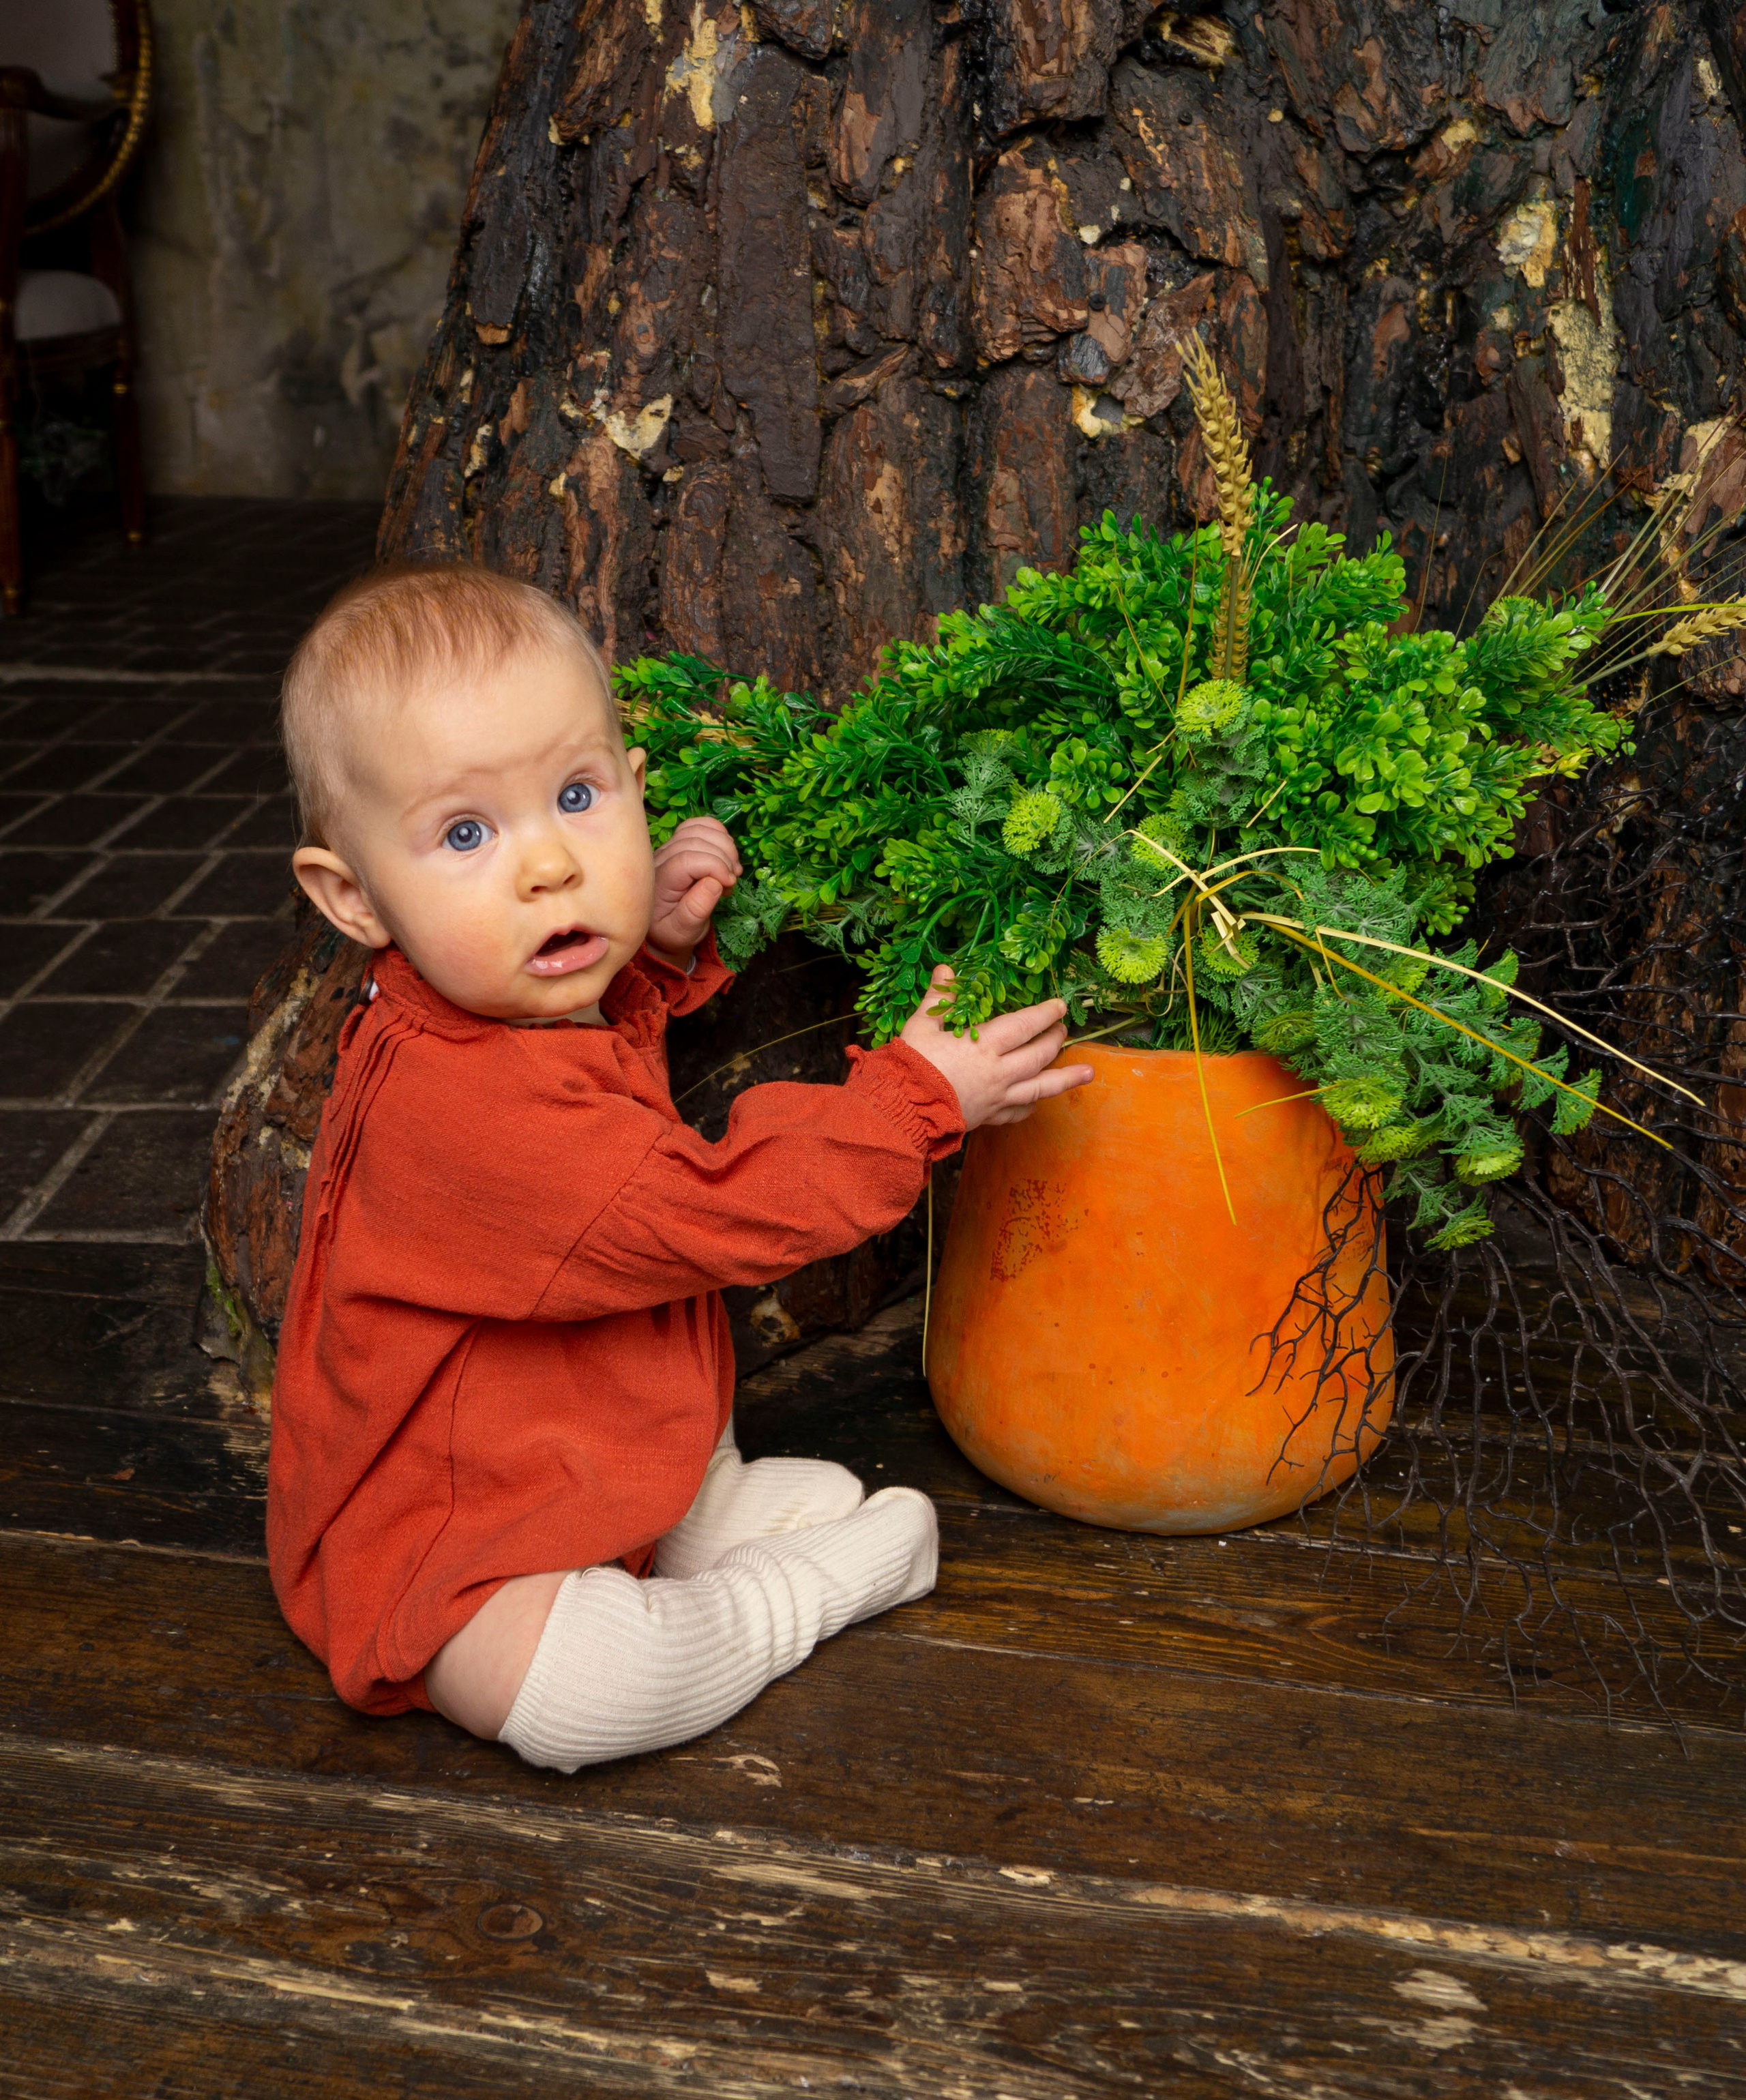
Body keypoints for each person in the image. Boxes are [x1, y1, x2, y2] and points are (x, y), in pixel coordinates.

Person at [268, 562, 1093, 1772]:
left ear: (634, 786)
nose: (549, 865)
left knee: (731, 1462)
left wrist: (644, 955)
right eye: (464, 832)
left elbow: (581, 1091)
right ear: (354, 899)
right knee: (578, 1696)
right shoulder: (453, 1113)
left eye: (579, 794)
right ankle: (784, 1595)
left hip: (547, 1434)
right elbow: (705, 1206)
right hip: (447, 1543)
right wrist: (917, 1099)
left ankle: (674, 1510)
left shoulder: (472, 1015)